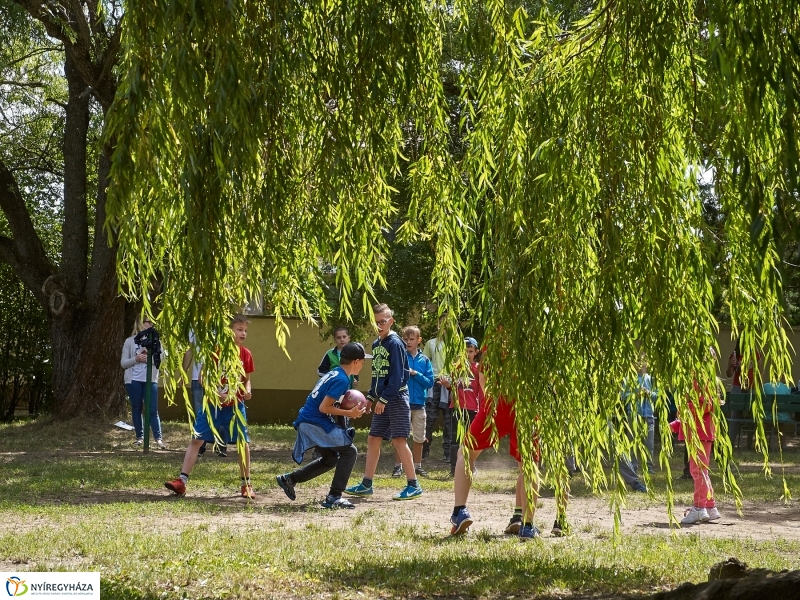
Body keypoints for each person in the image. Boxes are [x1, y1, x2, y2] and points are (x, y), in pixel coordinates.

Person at [165, 315, 255, 498]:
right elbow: (203, 378)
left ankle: (246, 484)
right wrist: (216, 394)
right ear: (228, 331)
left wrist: (247, 391)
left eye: (245, 330)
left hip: (235, 405)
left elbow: (247, 380)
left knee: (242, 443)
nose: (243, 333)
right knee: (197, 439)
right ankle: (182, 481)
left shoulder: (246, 354)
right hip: (212, 404)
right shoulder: (216, 351)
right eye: (239, 329)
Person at [276, 343, 369, 508]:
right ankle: (334, 496)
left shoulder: (336, 373)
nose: (363, 365)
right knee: (350, 451)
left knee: (330, 458)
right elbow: (324, 407)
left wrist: (350, 410)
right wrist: (350, 413)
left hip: (309, 420)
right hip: (314, 422)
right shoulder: (342, 379)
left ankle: (289, 479)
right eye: (362, 361)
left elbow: (333, 405)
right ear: (355, 362)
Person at [345, 303, 423, 501]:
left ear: (391, 321)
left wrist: (385, 398)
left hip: (395, 399)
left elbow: (398, 377)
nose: (379, 325)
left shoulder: (395, 343)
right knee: (373, 439)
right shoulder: (377, 344)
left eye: (382, 321)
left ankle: (413, 484)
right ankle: (366, 484)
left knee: (399, 440)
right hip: (382, 399)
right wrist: (371, 397)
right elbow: (378, 376)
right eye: (375, 322)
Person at [450, 393, 543, 539]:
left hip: (497, 402)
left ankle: (460, 511)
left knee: (465, 453)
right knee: (528, 465)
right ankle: (527, 526)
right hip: (526, 403)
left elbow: (484, 381)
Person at [671, 379, 721, 525]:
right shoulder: (701, 381)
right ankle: (710, 506)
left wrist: (683, 410)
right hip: (701, 432)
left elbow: (704, 407)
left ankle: (699, 508)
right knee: (701, 471)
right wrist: (676, 424)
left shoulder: (699, 381)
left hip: (700, 433)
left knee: (698, 471)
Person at [391, 326, 434, 477]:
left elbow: (429, 382)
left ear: (419, 340)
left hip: (419, 404)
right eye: (405, 339)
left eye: (412, 339)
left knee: (419, 437)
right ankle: (398, 466)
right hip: (402, 403)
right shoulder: (400, 357)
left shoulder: (425, 360)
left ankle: (417, 466)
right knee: (400, 436)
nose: (408, 342)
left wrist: (416, 374)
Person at [121, 315, 165, 448]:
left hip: (150, 381)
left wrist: (148, 359)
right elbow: (123, 363)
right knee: (136, 408)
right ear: (140, 323)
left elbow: (161, 360)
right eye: (148, 322)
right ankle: (139, 438)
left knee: (152, 410)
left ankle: (158, 439)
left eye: (152, 322)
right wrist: (136, 359)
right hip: (133, 380)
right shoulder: (130, 341)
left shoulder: (157, 341)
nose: (151, 324)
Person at [443, 338, 483, 477]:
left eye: (470, 351)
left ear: (476, 352)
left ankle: (471, 466)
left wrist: (483, 408)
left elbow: (481, 390)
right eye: (464, 351)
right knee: (455, 439)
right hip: (457, 408)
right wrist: (448, 385)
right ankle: (454, 469)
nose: (467, 354)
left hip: (473, 410)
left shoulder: (478, 369)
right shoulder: (456, 368)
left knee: (470, 439)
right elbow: (453, 389)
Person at [621, 356, 658, 475]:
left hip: (648, 414)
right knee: (632, 441)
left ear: (647, 363)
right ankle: (633, 465)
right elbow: (623, 396)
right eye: (638, 361)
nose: (641, 364)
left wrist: (648, 393)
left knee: (649, 443)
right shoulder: (629, 378)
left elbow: (657, 396)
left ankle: (649, 466)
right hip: (634, 414)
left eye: (643, 361)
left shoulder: (651, 379)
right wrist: (634, 394)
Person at [726, 337, 762, 445]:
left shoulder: (755, 354)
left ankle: (750, 444)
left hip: (752, 388)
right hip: (738, 387)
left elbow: (760, 372)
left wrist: (759, 387)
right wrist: (732, 365)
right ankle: (730, 442)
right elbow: (728, 374)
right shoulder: (735, 355)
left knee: (753, 415)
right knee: (735, 415)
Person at [423, 334, 451, 461]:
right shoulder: (431, 343)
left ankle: (448, 452)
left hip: (450, 383)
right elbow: (424, 362)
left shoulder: (456, 343)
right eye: (442, 323)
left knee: (448, 419)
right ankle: (424, 449)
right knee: (429, 417)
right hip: (433, 383)